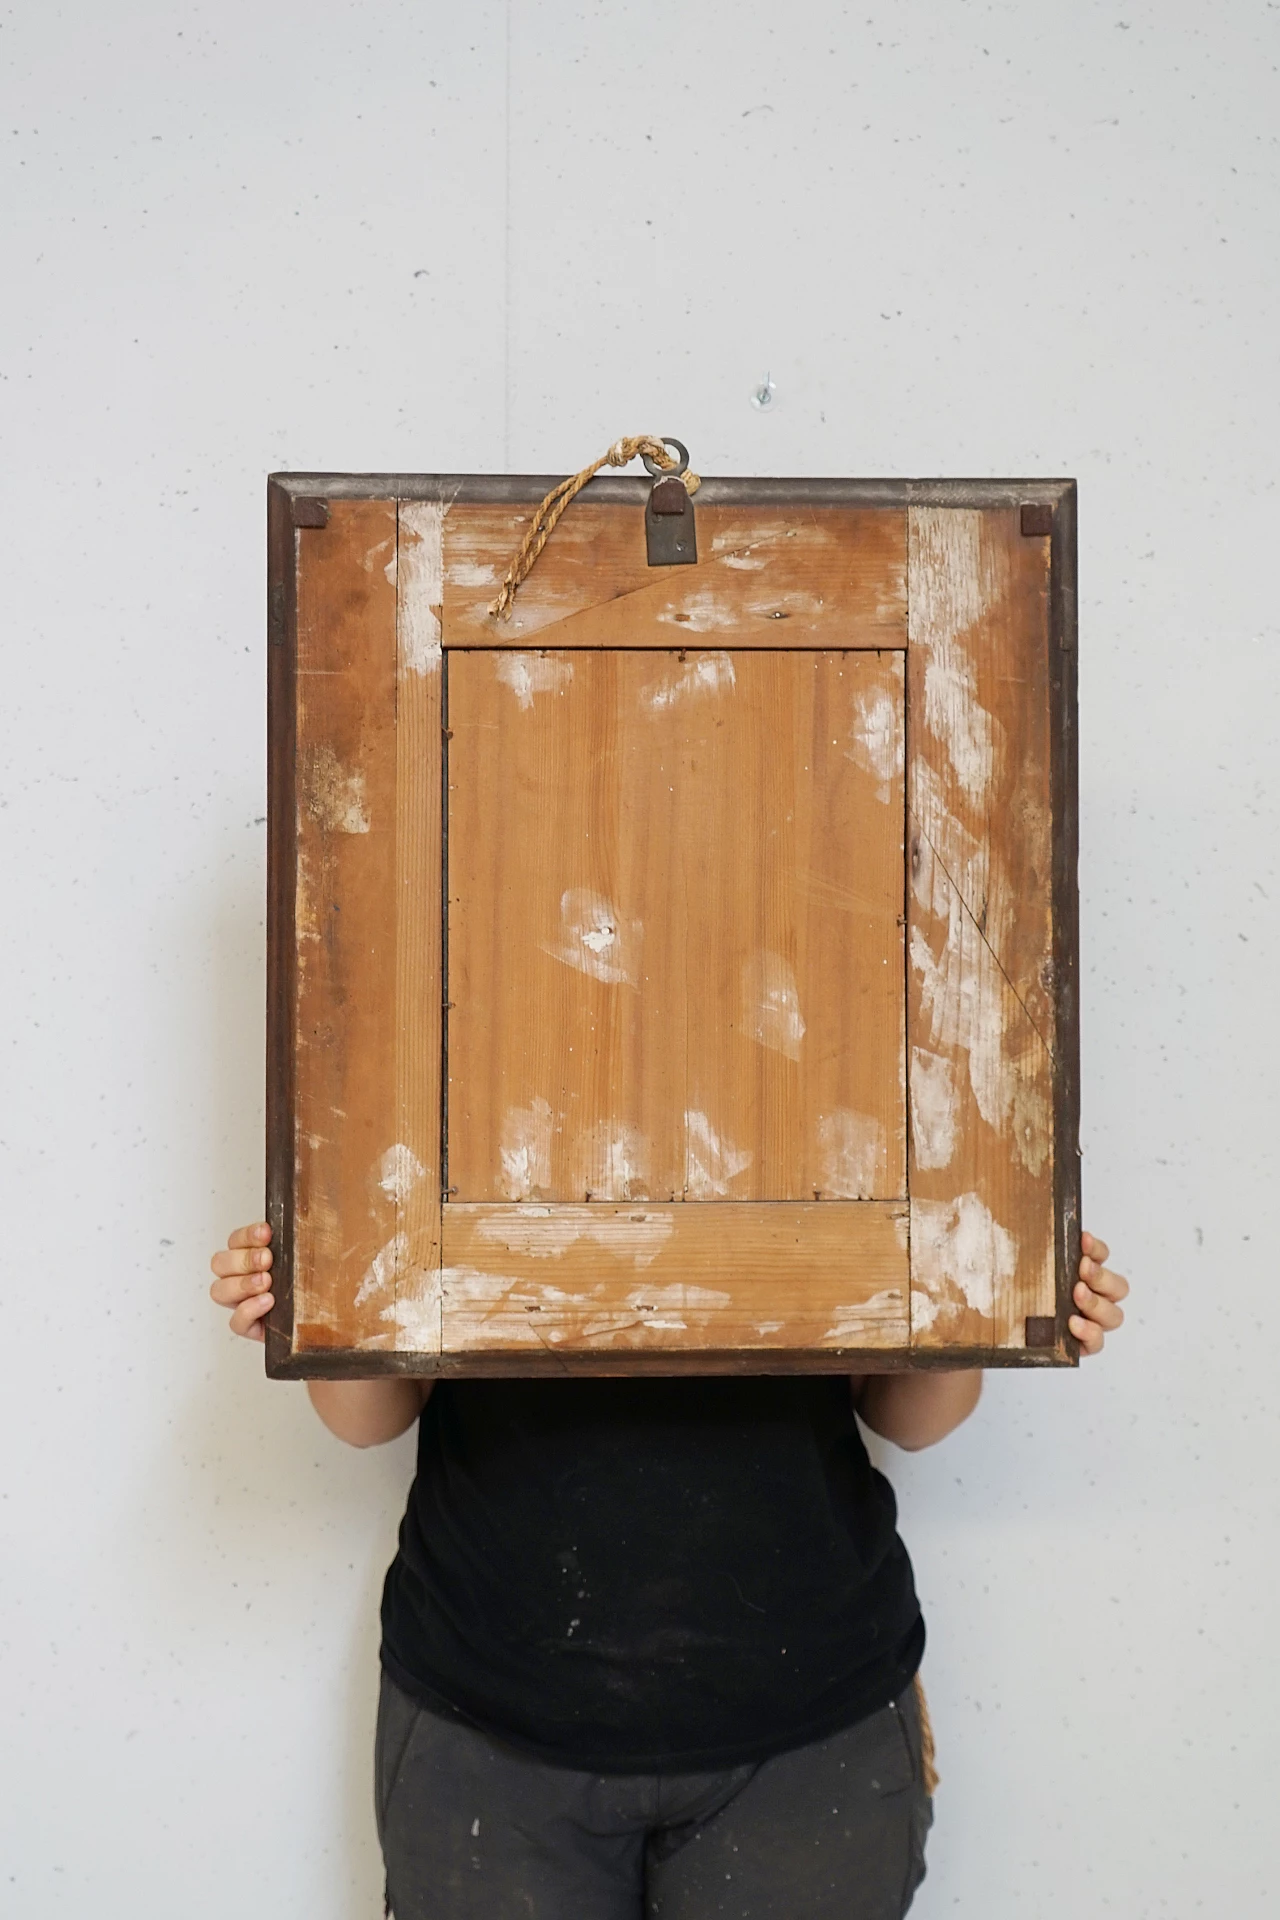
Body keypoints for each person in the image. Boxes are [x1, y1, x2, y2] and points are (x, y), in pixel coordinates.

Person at [211, 1223, 1128, 1919]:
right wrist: (316, 1304)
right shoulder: (453, 1021)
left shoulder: (837, 1028)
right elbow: (371, 1418)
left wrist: (992, 1299)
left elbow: (910, 1416)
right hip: (489, 1720)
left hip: (808, 1726)